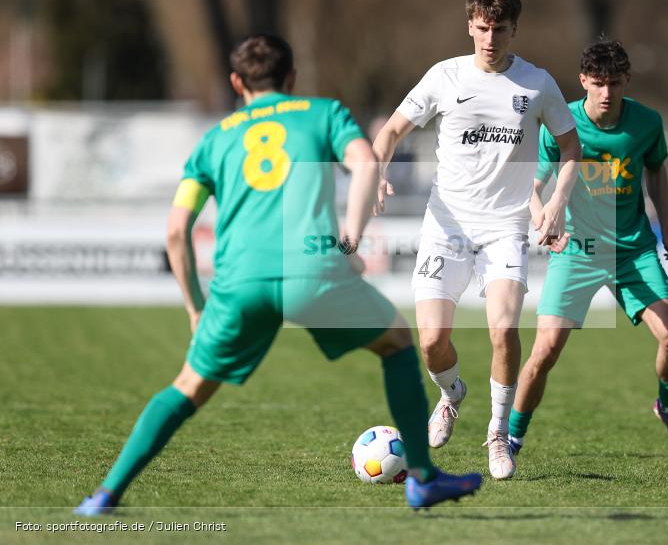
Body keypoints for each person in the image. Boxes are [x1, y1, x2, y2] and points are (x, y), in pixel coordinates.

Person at [74, 34, 482, 516]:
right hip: (312, 271)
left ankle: (105, 495)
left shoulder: (215, 139)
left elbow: (176, 232)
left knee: (187, 387)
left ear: (236, 83)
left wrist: (195, 309)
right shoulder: (323, 113)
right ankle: (423, 479)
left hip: (238, 283)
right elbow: (366, 164)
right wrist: (349, 241)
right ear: (291, 78)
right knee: (395, 342)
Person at [373, 0, 581, 480]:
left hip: (505, 227)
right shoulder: (444, 76)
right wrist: (376, 171)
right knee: (430, 342)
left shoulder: (537, 84)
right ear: (470, 26)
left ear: (514, 30)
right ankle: (451, 395)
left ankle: (497, 435)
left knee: (504, 329)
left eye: (500, 29)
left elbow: (571, 148)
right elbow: (392, 130)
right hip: (445, 226)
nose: (491, 39)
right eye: (483, 28)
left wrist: (557, 202)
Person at [508, 37, 668, 459]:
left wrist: (667, 229)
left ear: (627, 80)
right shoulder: (562, 123)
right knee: (545, 350)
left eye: (614, 82)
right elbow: (531, 186)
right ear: (583, 81)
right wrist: (543, 220)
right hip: (578, 250)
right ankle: (511, 438)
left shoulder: (647, 123)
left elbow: (657, 172)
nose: (606, 92)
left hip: (632, 251)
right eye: (598, 83)